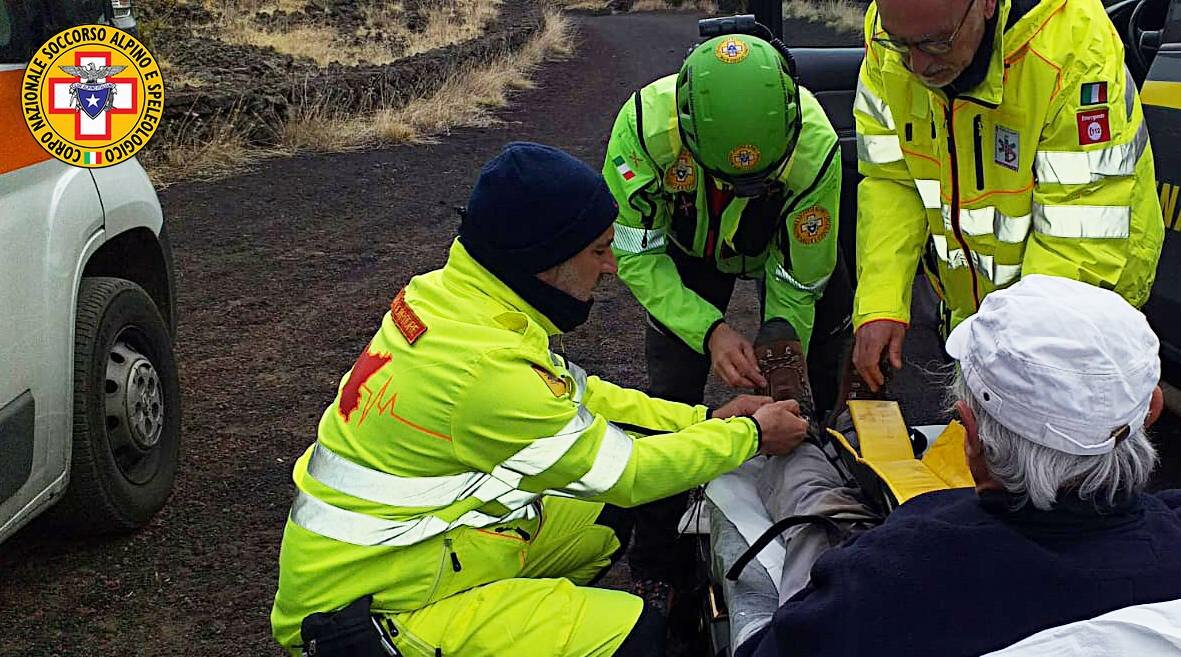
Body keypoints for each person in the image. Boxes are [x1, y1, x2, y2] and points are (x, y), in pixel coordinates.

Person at [269, 142, 811, 657]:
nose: (612, 267)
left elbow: (582, 396)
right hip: (361, 612)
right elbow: (628, 473)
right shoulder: (484, 370)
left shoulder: (454, 298)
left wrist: (701, 419)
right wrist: (752, 436)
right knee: (634, 634)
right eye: (598, 250)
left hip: (406, 555)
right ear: (544, 260)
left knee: (599, 520)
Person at [737, 274, 1181, 657]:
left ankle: (799, 431)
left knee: (818, 510)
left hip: (879, 576)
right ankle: (848, 422)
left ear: (970, 433)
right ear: (1150, 410)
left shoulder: (887, 578)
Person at [603, 30, 850, 596]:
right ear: (688, 137)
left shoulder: (814, 148)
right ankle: (658, 554)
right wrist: (709, 330)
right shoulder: (642, 131)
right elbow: (636, 255)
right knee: (670, 394)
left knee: (815, 368)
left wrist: (782, 359)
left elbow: (799, 276)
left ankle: (829, 503)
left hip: (778, 253)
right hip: (687, 257)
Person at [852, 0, 1164, 391]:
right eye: (901, 44)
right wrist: (881, 302)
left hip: (1077, 306)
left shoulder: (1073, 47)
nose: (917, 65)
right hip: (975, 311)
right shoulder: (890, 29)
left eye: (935, 44)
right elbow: (891, 179)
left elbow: (1076, 240)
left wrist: (1012, 366)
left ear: (985, 4)